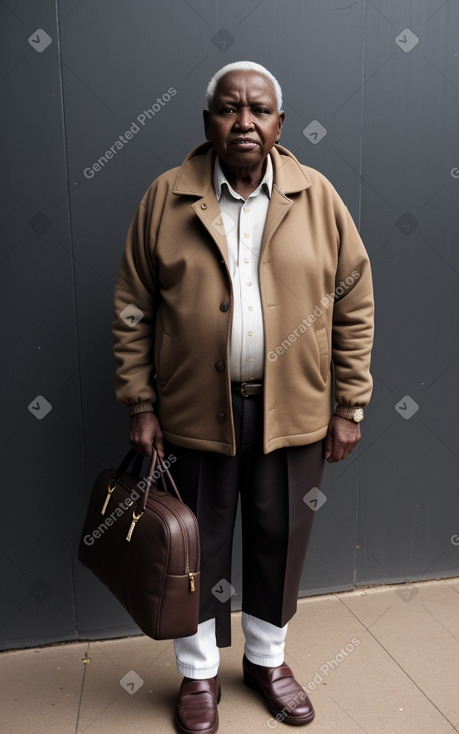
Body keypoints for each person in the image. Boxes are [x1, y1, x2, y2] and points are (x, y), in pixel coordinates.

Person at [113, 61, 374, 733]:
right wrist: (141, 404)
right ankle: (198, 675)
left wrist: (349, 405)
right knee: (193, 550)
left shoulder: (317, 198)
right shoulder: (164, 198)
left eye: (259, 109)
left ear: (279, 123)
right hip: (194, 413)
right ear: (208, 122)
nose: (244, 120)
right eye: (229, 108)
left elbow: (354, 303)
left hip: (294, 411)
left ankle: (267, 662)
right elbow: (133, 308)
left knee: (278, 538)